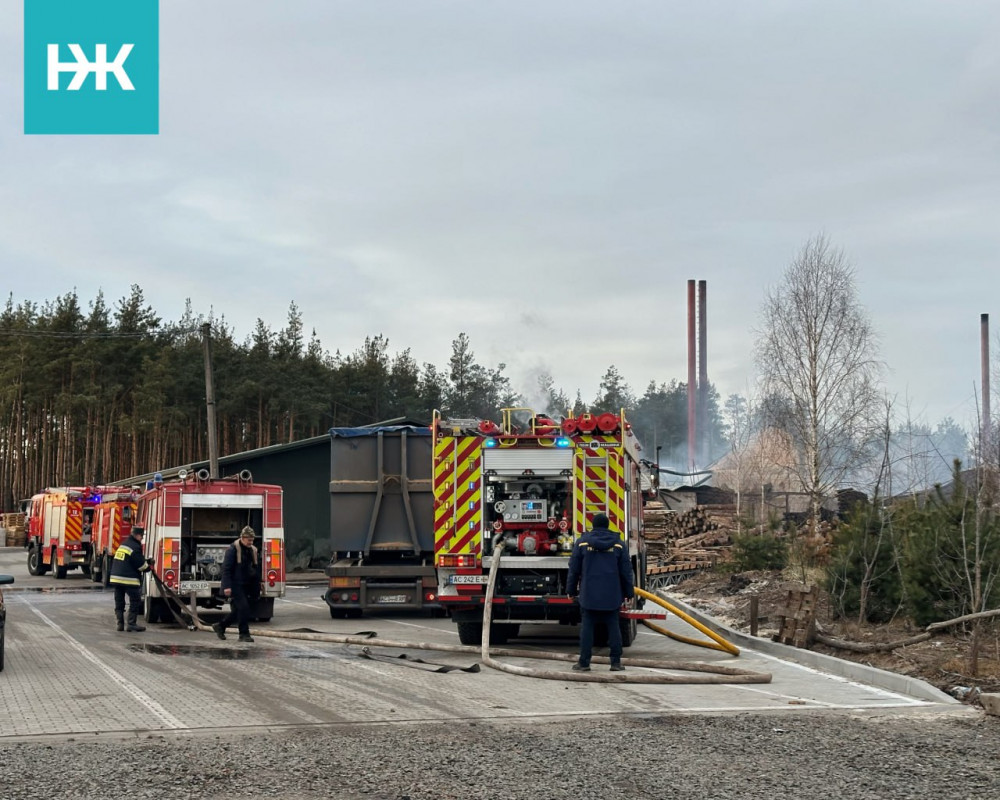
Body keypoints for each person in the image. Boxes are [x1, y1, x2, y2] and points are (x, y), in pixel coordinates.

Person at [566, 512, 635, 672]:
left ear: (593, 525)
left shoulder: (582, 543)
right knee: (613, 628)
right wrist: (629, 593)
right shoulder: (618, 544)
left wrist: (570, 590)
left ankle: (584, 663)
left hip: (589, 595)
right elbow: (626, 571)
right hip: (612, 595)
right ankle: (616, 663)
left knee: (587, 629)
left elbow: (574, 570)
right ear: (607, 525)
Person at [212, 525, 262, 643]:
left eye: (252, 540)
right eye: (249, 540)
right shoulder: (232, 550)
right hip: (236, 585)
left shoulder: (252, 550)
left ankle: (221, 626)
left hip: (247, 585)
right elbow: (226, 569)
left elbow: (255, 568)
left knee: (240, 610)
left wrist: (260, 583)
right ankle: (244, 634)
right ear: (242, 538)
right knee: (243, 608)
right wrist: (227, 587)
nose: (251, 542)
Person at [109, 525, 153, 632]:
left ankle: (120, 624)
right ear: (137, 535)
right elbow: (141, 565)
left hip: (116, 579)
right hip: (128, 579)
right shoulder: (135, 547)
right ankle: (131, 624)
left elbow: (128, 560)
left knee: (119, 601)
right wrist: (149, 567)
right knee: (135, 600)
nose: (142, 539)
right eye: (141, 536)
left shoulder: (124, 545)